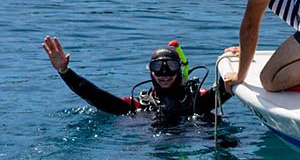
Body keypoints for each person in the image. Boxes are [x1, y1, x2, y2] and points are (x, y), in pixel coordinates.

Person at [42, 35, 232, 119]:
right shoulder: (137, 106)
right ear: (150, 71)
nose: (164, 74)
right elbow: (96, 96)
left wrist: (238, 57)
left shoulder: (197, 101)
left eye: (171, 67)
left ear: (180, 71)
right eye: (158, 67)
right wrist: (64, 71)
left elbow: (228, 85)